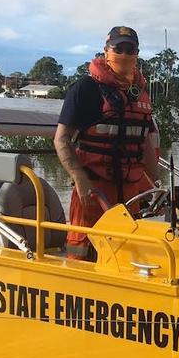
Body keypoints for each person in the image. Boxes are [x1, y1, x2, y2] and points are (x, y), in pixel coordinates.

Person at [54, 26, 159, 260]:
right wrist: (79, 178)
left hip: (131, 195)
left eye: (129, 48)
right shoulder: (86, 89)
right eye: (118, 48)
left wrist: (157, 184)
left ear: (137, 53)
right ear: (106, 51)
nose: (123, 54)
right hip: (92, 192)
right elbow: (61, 139)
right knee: (82, 252)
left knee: (129, 258)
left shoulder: (140, 94)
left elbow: (145, 146)